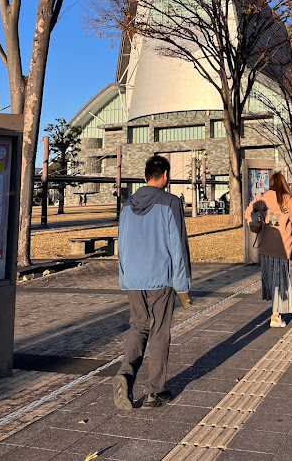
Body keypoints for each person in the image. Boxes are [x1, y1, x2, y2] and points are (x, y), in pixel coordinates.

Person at [112, 155, 191, 411]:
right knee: (159, 332)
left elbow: (121, 245)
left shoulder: (127, 206)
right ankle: (154, 393)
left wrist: (124, 277)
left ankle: (125, 375)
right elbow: (178, 246)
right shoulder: (171, 203)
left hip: (134, 278)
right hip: (161, 278)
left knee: (138, 327)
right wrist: (182, 285)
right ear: (165, 176)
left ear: (146, 176)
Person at [244, 172, 292, 328]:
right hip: (282, 248)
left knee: (271, 279)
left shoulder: (262, 198)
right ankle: (276, 315)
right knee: (281, 281)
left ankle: (274, 311)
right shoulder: (288, 200)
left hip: (265, 247)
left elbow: (248, 213)